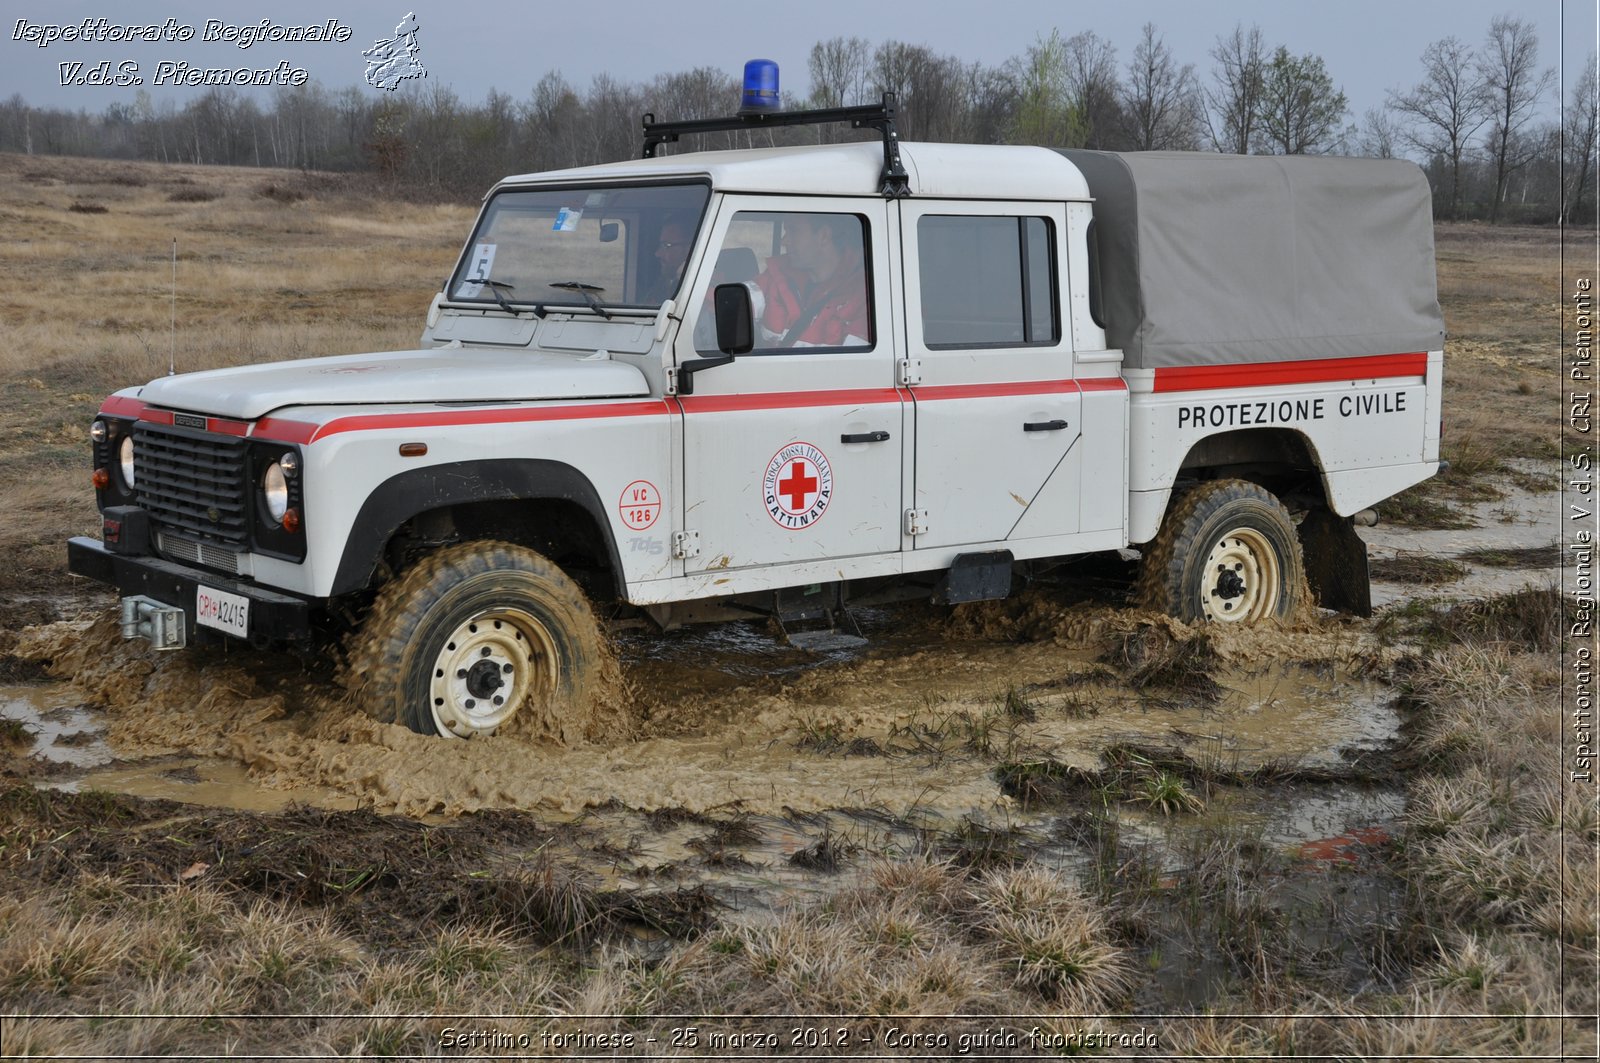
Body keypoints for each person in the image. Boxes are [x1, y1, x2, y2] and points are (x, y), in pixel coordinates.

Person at [751, 214, 870, 348]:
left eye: (794, 231)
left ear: (823, 236)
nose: (784, 241)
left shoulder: (866, 298)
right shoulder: (778, 274)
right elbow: (738, 300)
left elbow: (855, 367)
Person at [642, 217, 691, 305]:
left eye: (666, 245)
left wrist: (689, 282)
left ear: (689, 248)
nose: (657, 253)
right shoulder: (662, 285)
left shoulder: (709, 285)